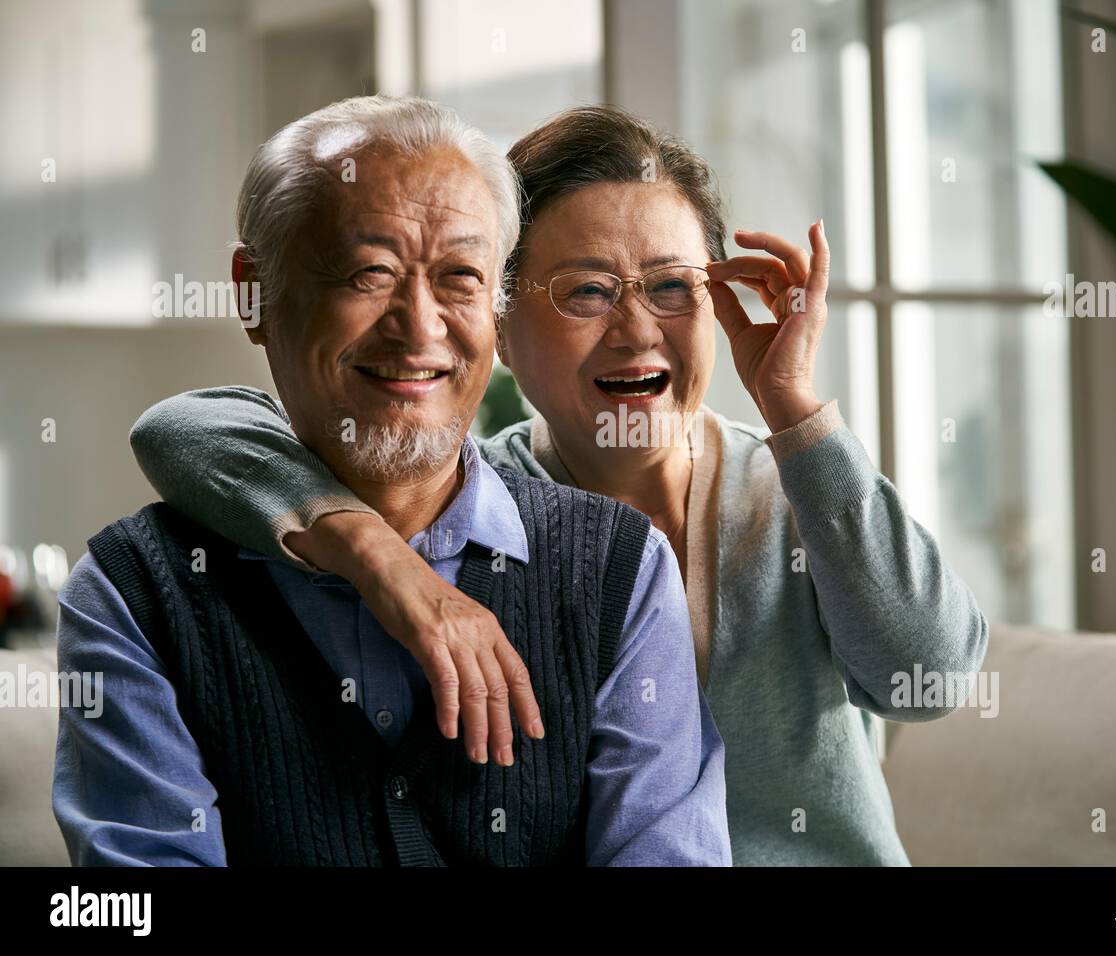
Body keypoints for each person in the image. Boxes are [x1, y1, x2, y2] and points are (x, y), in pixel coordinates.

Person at [131, 103, 989, 866]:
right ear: (496, 318)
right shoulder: (469, 505)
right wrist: (374, 555)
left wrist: (796, 411)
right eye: (586, 291)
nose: (637, 328)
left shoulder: (802, 486)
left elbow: (933, 677)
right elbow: (185, 428)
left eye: (670, 287)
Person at [53, 96, 730, 867]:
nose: (418, 327)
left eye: (459, 278)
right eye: (367, 273)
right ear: (253, 292)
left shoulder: (620, 569)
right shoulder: (134, 593)